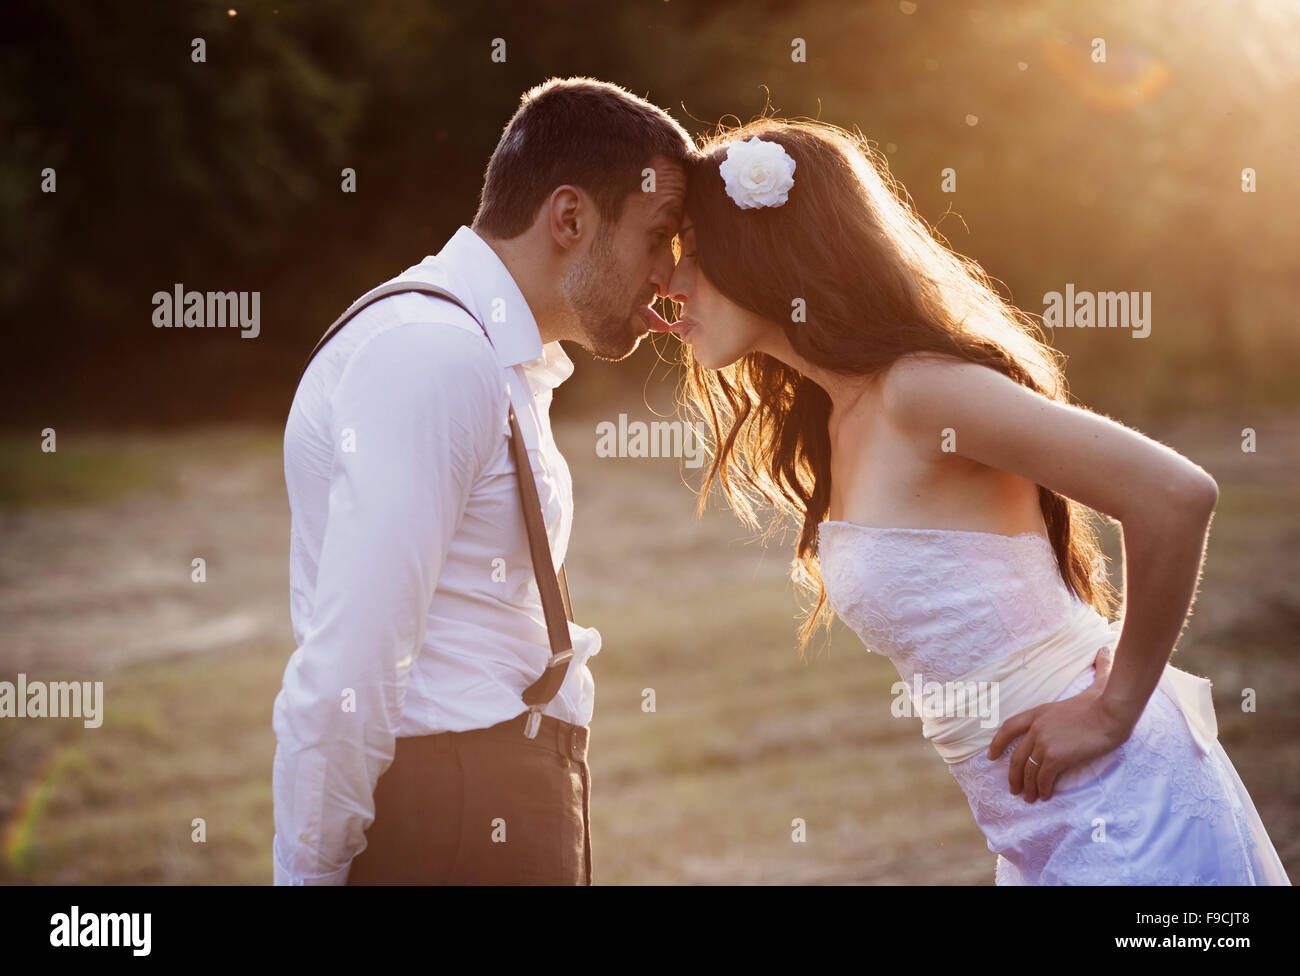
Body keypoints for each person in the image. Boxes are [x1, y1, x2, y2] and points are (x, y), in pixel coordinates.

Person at [657, 118, 1291, 884]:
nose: (671, 278)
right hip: (1035, 828)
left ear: (767, 252)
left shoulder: (918, 391)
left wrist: (1115, 706)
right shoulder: (838, 418)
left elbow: (1173, 494)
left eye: (693, 247)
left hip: (1125, 809)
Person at [272, 76, 693, 884]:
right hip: (448, 814)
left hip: (490, 799)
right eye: (658, 235)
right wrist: (311, 871)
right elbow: (355, 658)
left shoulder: (485, 355)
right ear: (569, 218)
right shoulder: (432, 353)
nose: (668, 276)